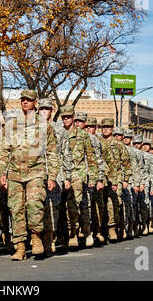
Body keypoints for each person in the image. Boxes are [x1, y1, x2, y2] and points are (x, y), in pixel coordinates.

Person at [0, 90, 59, 261]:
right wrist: (1, 173)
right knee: (16, 210)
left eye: (28, 100)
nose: (25, 102)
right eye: (22, 99)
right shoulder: (11, 125)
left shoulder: (44, 125)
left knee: (34, 206)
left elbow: (52, 152)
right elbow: (3, 151)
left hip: (36, 173)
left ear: (35, 102)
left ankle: (36, 237)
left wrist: (52, 176)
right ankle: (20, 247)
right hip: (15, 174)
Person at [38, 98, 73, 254]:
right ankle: (38, 238)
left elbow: (67, 155)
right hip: (36, 174)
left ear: (52, 111)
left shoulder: (60, 130)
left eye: (47, 109)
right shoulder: (33, 129)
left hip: (55, 174)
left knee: (53, 208)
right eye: (42, 109)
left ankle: (50, 238)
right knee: (37, 207)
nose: (44, 111)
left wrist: (67, 176)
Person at [60, 106, 98, 248]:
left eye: (68, 116)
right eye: (63, 117)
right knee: (60, 206)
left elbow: (91, 157)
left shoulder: (83, 135)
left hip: (78, 173)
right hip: (61, 173)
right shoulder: (57, 132)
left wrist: (93, 177)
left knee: (75, 204)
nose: (66, 119)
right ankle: (62, 236)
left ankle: (77, 233)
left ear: (74, 117)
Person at [99, 118, 131, 242]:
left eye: (108, 127)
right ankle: (101, 230)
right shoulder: (97, 142)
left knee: (113, 204)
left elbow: (126, 163)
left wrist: (125, 179)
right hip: (101, 178)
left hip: (115, 179)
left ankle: (113, 227)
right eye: (104, 127)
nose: (106, 129)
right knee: (100, 205)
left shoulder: (118, 145)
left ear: (112, 129)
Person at [85, 117, 106, 244]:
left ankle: (97, 231)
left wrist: (99, 179)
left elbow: (99, 161)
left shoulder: (96, 141)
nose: (89, 129)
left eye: (91, 127)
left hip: (93, 177)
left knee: (97, 208)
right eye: (87, 126)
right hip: (81, 177)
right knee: (84, 207)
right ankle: (85, 232)